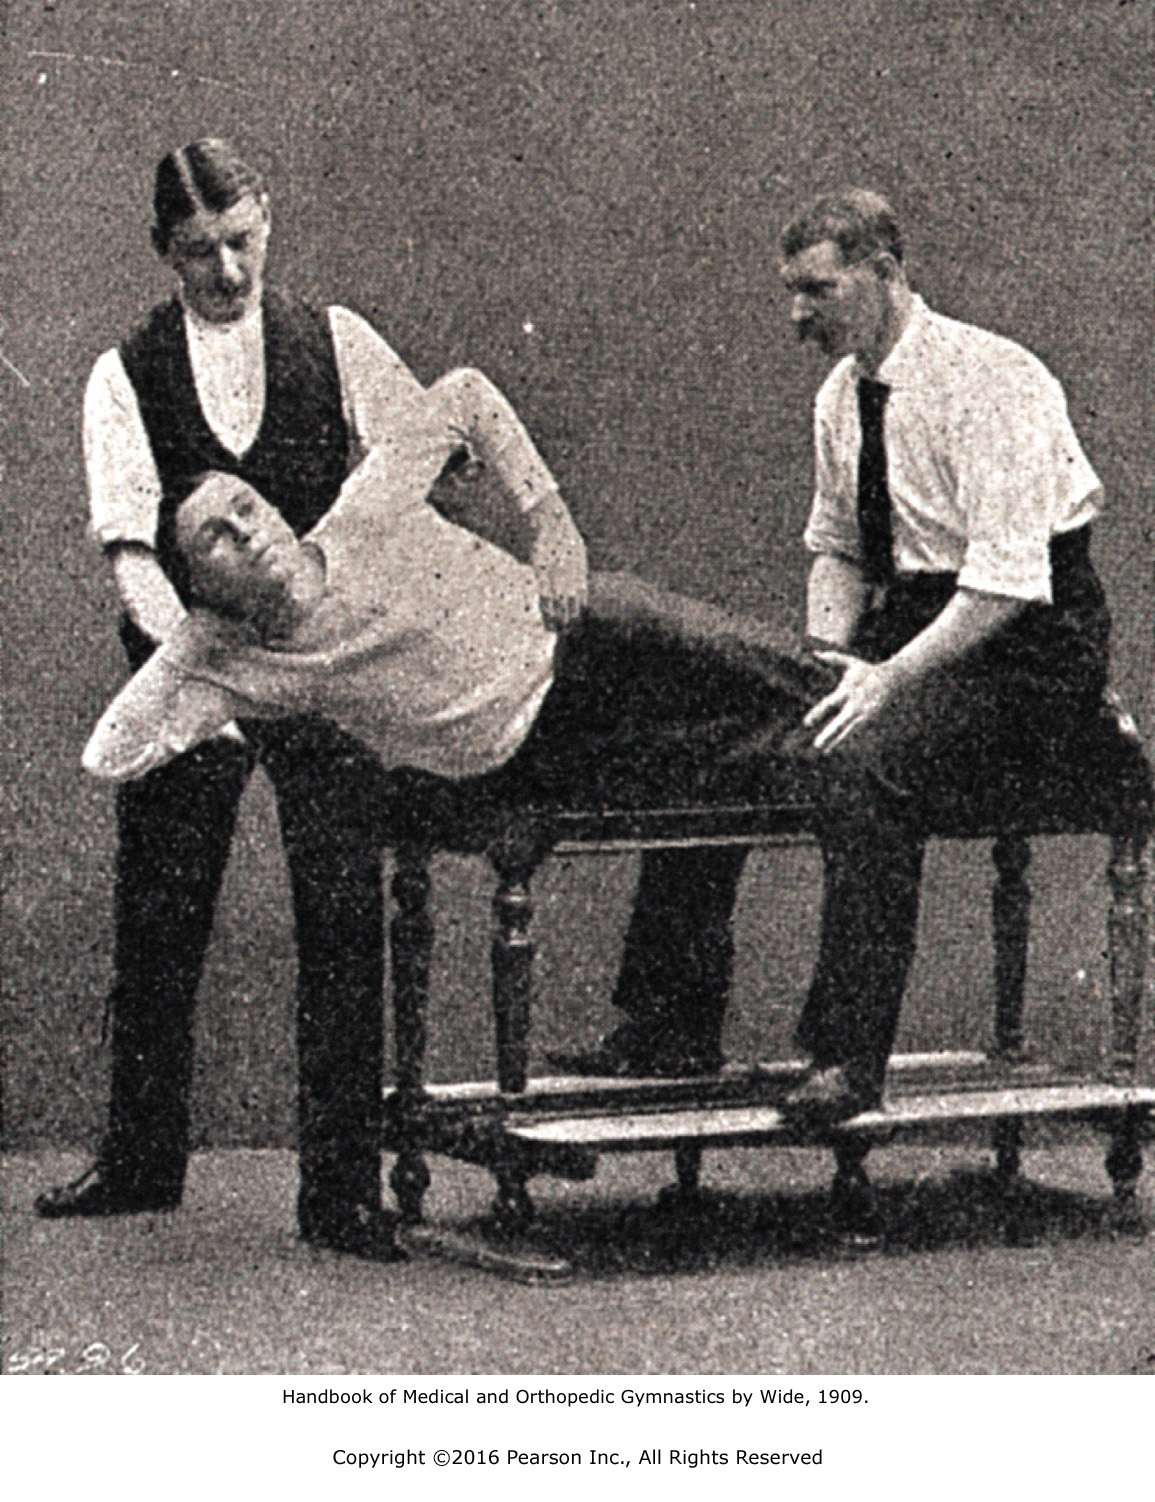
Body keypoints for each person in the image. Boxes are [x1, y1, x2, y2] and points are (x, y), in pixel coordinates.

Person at [36, 139, 576, 1257]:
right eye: (198, 254)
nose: (226, 271)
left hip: (332, 678)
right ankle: (139, 1161)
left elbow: (424, 445)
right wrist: (205, 679)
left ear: (265, 219)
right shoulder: (120, 374)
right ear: (163, 253)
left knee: (341, 916)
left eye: (241, 241)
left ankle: (339, 1192)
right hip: (194, 664)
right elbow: (134, 556)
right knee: (160, 915)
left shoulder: (335, 338)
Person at [565, 187, 1122, 1128]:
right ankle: (669, 1023)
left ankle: (844, 1057)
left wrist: (884, 682)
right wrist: (827, 664)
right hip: (908, 625)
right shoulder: (839, 398)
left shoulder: (995, 379)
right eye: (789, 292)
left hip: (1027, 652)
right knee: (729, 733)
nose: (796, 315)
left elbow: (1006, 581)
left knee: (864, 762)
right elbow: (838, 550)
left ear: (886, 276)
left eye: (816, 290)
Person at [84, 368, 835, 852]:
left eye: (246, 507)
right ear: (200, 586)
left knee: (786, 677)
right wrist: (189, 638)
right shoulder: (250, 674)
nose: (247, 531)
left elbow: (466, 395)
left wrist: (551, 524)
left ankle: (902, 696)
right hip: (534, 755)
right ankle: (671, 1030)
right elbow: (110, 758)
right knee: (717, 784)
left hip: (584, 638)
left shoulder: (361, 512)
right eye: (216, 538)